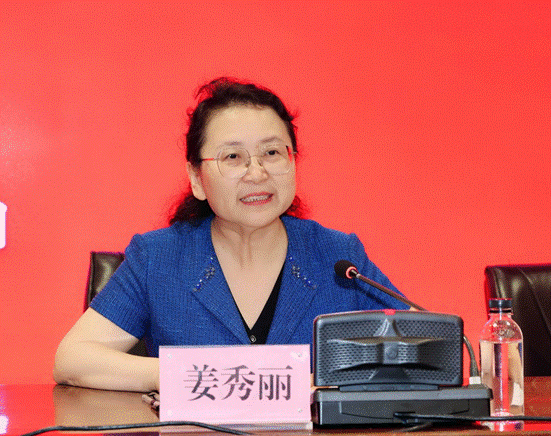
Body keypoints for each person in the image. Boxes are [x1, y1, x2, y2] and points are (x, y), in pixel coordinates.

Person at [53, 77, 408, 392]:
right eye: (233, 157)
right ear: (196, 178)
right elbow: (73, 359)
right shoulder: (158, 258)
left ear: (293, 162)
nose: (257, 173)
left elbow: (421, 348)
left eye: (272, 152)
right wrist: (183, 375)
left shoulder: (337, 257)